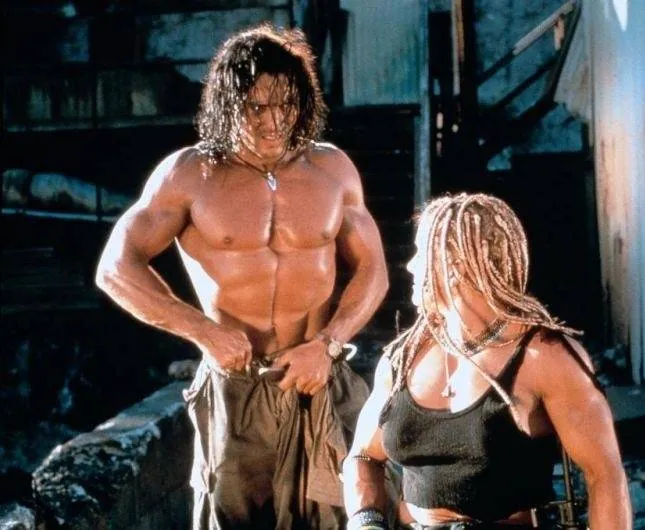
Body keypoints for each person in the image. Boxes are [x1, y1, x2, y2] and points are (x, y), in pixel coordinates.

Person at [95, 24, 388, 530]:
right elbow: (116, 268)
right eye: (257, 107)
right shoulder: (188, 175)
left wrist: (329, 344)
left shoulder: (332, 169)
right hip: (238, 388)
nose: (274, 122)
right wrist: (203, 332)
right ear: (228, 104)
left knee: (351, 515)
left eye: (287, 105)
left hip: (320, 377)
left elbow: (374, 270)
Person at [342, 192, 632, 530]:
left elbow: (605, 476)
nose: (410, 266)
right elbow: (363, 456)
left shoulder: (544, 357)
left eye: (421, 253)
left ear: (455, 266)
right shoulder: (404, 356)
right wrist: (366, 521)